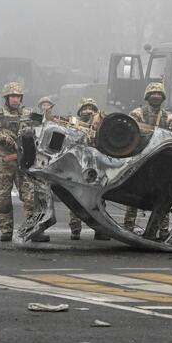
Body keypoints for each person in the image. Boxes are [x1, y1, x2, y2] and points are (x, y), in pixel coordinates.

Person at [0, 82, 48, 242]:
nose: (15, 100)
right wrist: (2, 137)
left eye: (18, 97)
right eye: (12, 97)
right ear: (6, 98)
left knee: (30, 198)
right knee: (3, 199)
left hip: (24, 162)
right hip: (3, 162)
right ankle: (6, 230)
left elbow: (44, 128)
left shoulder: (28, 114)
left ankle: (35, 230)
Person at [124, 83, 172, 237]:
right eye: (153, 94)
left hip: (161, 162)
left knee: (163, 196)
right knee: (133, 195)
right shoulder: (137, 114)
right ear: (147, 96)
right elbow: (130, 134)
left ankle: (163, 231)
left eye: (159, 94)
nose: (156, 97)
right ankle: (128, 228)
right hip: (140, 159)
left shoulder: (169, 117)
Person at [70, 98, 108, 240]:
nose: (88, 111)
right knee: (75, 197)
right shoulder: (72, 124)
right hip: (78, 166)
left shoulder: (100, 124)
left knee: (99, 199)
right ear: (80, 111)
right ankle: (75, 229)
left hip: (97, 166)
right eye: (85, 109)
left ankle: (101, 230)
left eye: (91, 108)